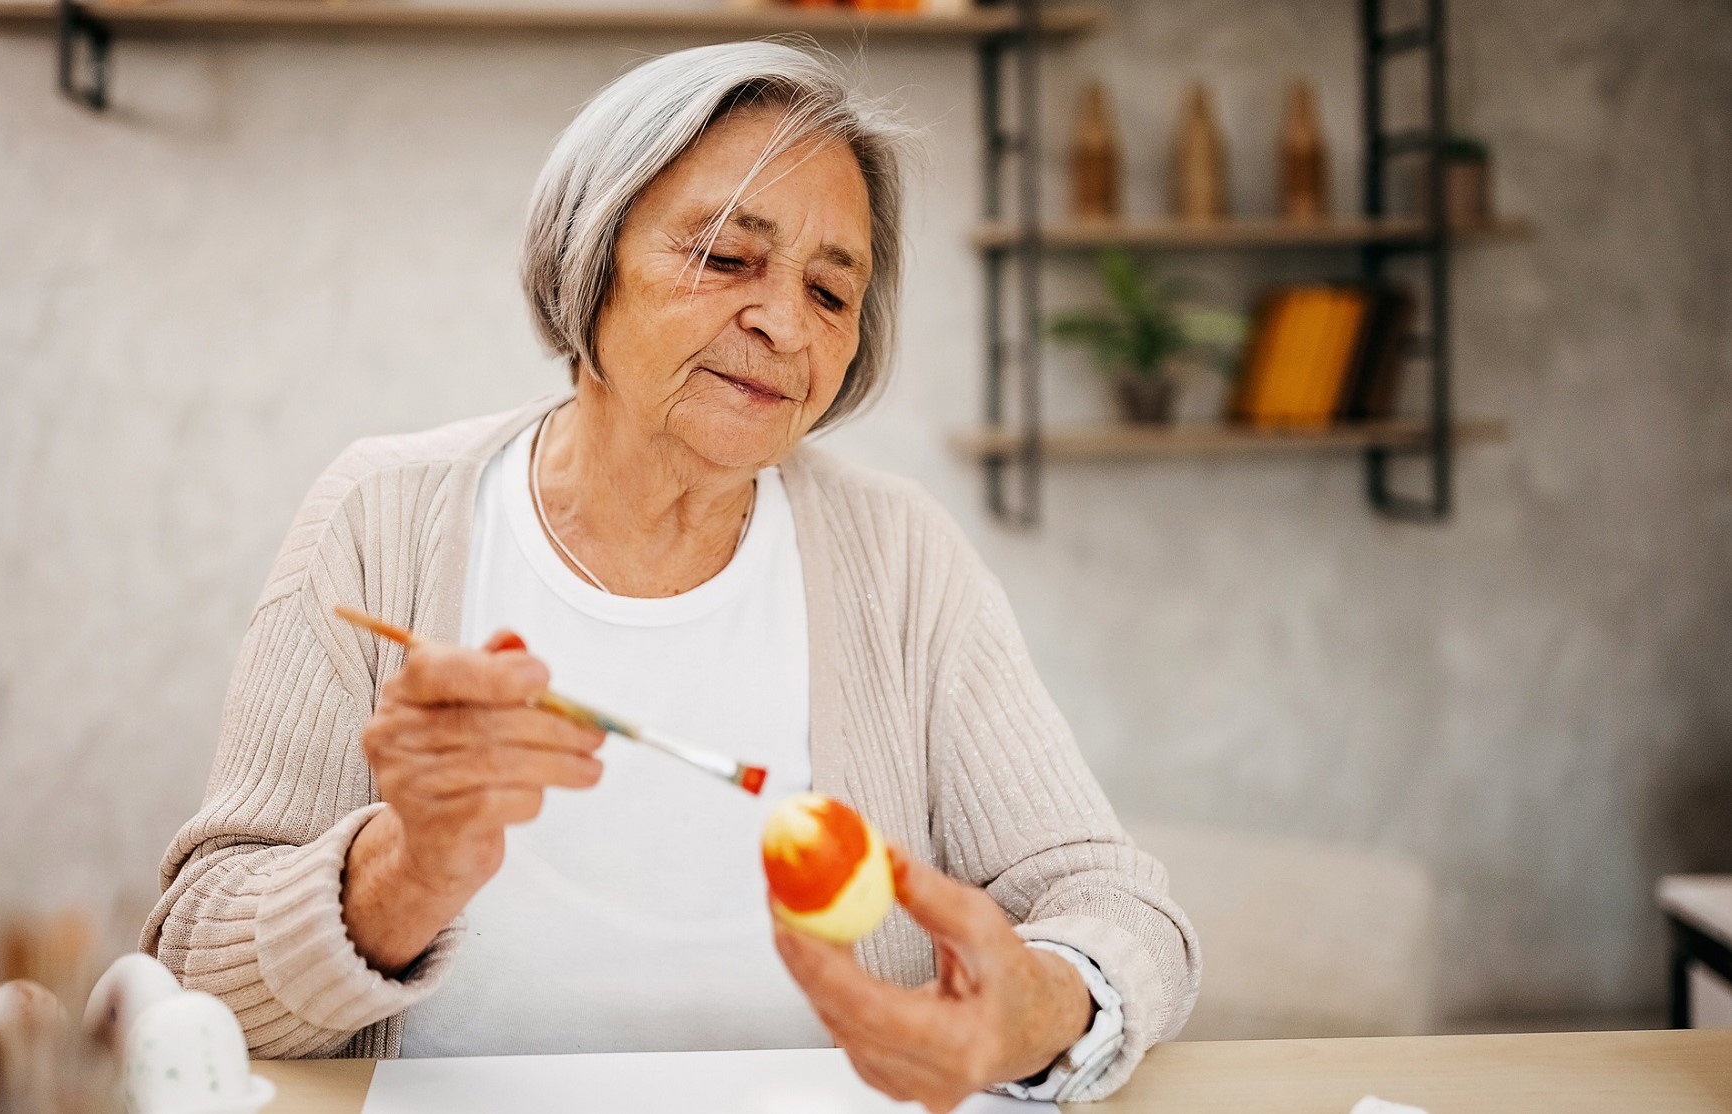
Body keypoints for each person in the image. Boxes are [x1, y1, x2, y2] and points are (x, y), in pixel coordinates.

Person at [142, 40, 1198, 1108]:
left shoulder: (899, 553)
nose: (784, 322)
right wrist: (403, 868)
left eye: (832, 293)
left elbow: (1113, 900)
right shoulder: (381, 515)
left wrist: (1043, 1005)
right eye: (727, 258)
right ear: (588, 258)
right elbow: (194, 963)